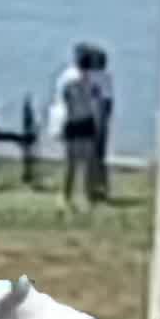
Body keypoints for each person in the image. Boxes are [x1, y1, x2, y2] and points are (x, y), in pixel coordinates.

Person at [49, 42, 98, 208]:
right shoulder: (69, 77)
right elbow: (63, 98)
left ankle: (86, 196)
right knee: (70, 161)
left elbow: (94, 96)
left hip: (86, 118)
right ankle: (65, 196)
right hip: (72, 120)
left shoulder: (90, 77)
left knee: (88, 159)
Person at [87, 47, 114, 202]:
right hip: (102, 121)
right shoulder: (107, 78)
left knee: (91, 157)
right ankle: (101, 189)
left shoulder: (89, 77)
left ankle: (92, 191)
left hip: (92, 120)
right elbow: (109, 103)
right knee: (100, 157)